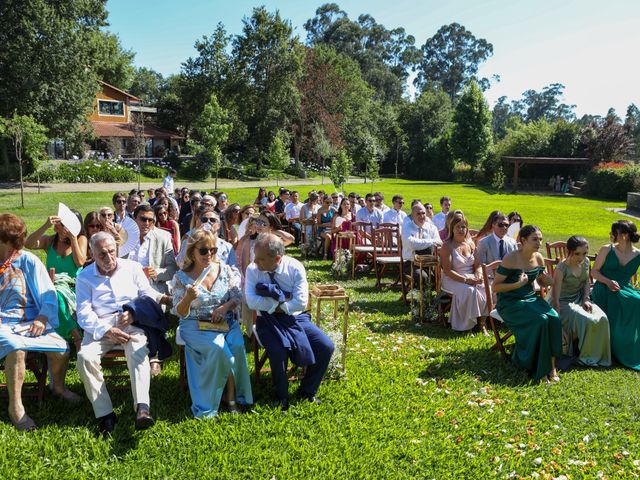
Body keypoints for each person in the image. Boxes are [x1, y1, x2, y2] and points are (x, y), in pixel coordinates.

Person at [76, 232, 172, 435]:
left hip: (131, 322)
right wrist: (106, 330)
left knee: (137, 349)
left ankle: (142, 408)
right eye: (102, 254)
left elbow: (147, 294)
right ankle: (105, 414)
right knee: (85, 357)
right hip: (100, 327)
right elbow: (83, 314)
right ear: (92, 254)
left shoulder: (132, 267)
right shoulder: (84, 277)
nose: (109, 258)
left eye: (111, 252)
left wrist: (135, 313)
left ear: (117, 249)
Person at [0, 214, 80, 431]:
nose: (15, 249)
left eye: (17, 243)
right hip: (3, 324)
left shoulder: (28, 260)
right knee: (15, 347)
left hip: (31, 321)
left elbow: (48, 294)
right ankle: (16, 408)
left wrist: (43, 318)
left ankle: (59, 388)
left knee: (61, 349)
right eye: (9, 244)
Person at [244, 233, 334, 410]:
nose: (255, 262)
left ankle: (307, 390)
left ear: (277, 258)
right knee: (278, 351)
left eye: (261, 259)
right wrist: (284, 302)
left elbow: (300, 302)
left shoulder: (294, 267)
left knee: (325, 346)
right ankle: (281, 395)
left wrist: (276, 305)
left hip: (296, 317)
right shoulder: (252, 269)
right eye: (256, 257)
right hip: (267, 320)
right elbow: (251, 301)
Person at [171, 229, 252, 417]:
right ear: (192, 252)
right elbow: (179, 312)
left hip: (225, 321)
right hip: (194, 324)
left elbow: (237, 297)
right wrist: (188, 299)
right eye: (204, 251)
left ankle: (233, 395)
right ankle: (220, 400)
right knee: (219, 350)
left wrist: (224, 308)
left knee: (238, 345)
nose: (209, 255)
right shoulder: (181, 277)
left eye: (213, 250)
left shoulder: (224, 269)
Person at [492, 225, 562, 383]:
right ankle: (539, 368)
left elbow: (540, 281)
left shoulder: (538, 257)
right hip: (509, 302)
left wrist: (549, 280)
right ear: (523, 240)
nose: (539, 243)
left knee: (554, 318)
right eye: (535, 239)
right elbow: (495, 287)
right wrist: (517, 285)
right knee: (541, 320)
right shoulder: (511, 258)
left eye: (540, 239)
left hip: (530, 298)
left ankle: (552, 367)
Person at [549, 236, 611, 367]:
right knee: (588, 320)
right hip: (562, 303)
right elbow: (555, 298)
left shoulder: (586, 262)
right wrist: (557, 320)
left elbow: (586, 283)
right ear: (569, 251)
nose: (581, 257)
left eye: (584, 253)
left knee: (603, 318)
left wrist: (586, 299)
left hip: (580, 299)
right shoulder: (561, 269)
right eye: (577, 253)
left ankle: (600, 356)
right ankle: (585, 357)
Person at [591, 220, 640, 370]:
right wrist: (608, 281)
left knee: (637, 300)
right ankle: (614, 346)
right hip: (604, 286)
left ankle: (627, 344)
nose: (611, 235)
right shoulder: (607, 249)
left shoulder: (638, 254)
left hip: (624, 288)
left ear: (624, 235)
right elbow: (594, 272)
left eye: (614, 232)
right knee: (627, 301)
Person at [440, 216, 488, 333]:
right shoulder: (447, 246)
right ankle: (467, 326)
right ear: (452, 228)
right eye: (458, 227)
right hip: (452, 278)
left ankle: (482, 324)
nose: (461, 229)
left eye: (464, 227)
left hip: (470, 276)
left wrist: (478, 274)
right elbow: (447, 271)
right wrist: (466, 280)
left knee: (485, 287)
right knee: (469, 291)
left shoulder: (470, 244)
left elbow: (477, 265)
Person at [129, 205, 177, 296]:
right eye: (143, 219)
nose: (147, 223)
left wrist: (155, 272)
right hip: (128, 287)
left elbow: (172, 269)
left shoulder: (163, 237)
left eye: (150, 220)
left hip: (152, 289)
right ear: (134, 219)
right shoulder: (125, 237)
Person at [25, 211, 87, 277]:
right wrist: (46, 226)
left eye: (62, 223)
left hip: (73, 285)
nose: (57, 224)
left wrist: (73, 239)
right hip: (52, 285)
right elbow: (28, 244)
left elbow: (80, 263)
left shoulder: (80, 239)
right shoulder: (50, 240)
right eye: (58, 221)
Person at [401, 203, 442, 279]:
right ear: (412, 215)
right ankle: (421, 290)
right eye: (418, 214)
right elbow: (411, 244)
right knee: (423, 277)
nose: (421, 216)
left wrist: (421, 243)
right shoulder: (407, 227)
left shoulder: (432, 228)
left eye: (423, 213)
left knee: (440, 275)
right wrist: (432, 242)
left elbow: (439, 243)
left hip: (430, 262)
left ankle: (431, 289)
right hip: (411, 262)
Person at [317, 195, 336, 259]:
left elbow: (338, 216)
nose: (329, 204)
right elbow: (319, 224)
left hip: (331, 229)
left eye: (331, 202)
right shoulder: (320, 211)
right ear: (323, 201)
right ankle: (325, 255)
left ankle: (334, 255)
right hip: (322, 230)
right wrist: (328, 224)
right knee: (328, 236)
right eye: (327, 202)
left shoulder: (333, 209)